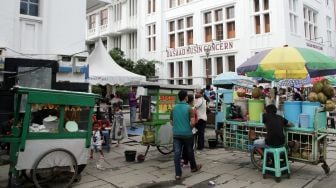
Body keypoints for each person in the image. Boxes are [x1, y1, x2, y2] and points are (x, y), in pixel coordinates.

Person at [171, 90, 202, 180]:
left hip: (176, 134)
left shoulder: (174, 108)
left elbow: (171, 122)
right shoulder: (189, 108)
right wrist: (188, 127)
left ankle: (178, 174)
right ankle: (193, 167)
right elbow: (192, 123)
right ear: (186, 97)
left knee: (177, 153)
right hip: (187, 134)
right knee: (189, 151)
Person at [181, 94, 198, 168]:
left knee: (184, 147)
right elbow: (195, 120)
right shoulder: (192, 109)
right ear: (191, 100)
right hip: (190, 130)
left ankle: (183, 160)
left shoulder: (181, 108)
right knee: (189, 147)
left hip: (182, 129)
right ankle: (187, 163)